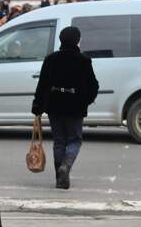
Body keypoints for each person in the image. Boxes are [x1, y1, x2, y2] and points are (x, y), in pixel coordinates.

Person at [31, 26, 99, 190]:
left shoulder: (51, 59)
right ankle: (66, 167)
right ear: (77, 40)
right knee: (75, 140)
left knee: (59, 141)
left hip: (54, 104)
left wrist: (38, 106)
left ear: (61, 40)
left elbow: (42, 85)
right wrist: (85, 101)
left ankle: (59, 177)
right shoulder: (83, 60)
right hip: (75, 106)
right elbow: (93, 86)